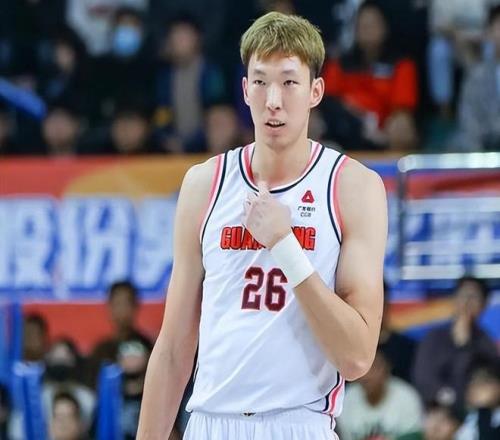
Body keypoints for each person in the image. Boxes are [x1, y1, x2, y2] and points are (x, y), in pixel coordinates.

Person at [137, 11, 387, 440]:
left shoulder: (353, 187)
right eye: (260, 81)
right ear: (244, 90)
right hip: (210, 422)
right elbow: (174, 349)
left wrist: (285, 245)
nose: (273, 99)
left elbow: (357, 357)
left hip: (298, 423)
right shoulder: (205, 184)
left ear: (315, 91)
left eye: (289, 82)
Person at [412, 276, 499, 408]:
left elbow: (491, 380)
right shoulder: (434, 338)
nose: (467, 303)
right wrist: (451, 398)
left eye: (474, 297)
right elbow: (423, 379)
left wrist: (464, 346)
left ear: (483, 305)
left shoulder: (486, 342)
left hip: (475, 410)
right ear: (454, 299)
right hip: (436, 409)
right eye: (463, 295)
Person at [337, 349, 424, 440]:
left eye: (374, 368)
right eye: (364, 369)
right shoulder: (347, 397)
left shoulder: (406, 397)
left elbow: (415, 436)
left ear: (387, 369)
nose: (368, 375)